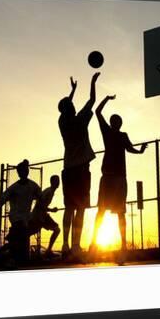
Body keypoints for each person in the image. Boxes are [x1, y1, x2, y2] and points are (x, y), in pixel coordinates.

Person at [89, 95, 147, 258]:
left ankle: (122, 245)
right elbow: (98, 111)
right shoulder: (108, 132)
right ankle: (94, 243)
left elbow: (130, 149)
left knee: (119, 212)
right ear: (113, 123)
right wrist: (106, 98)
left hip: (118, 178)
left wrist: (140, 151)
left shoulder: (122, 135)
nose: (114, 123)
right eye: (113, 120)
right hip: (108, 177)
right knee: (102, 211)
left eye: (116, 121)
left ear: (119, 124)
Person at [58, 72, 100, 259]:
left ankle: (66, 245)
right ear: (70, 108)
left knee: (69, 208)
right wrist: (92, 82)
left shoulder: (62, 121)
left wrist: (72, 91)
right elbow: (92, 99)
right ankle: (75, 245)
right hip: (81, 170)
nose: (73, 104)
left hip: (69, 170)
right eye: (71, 104)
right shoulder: (80, 119)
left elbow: (65, 105)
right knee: (80, 209)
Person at [0, 159, 41, 265]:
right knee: (21, 231)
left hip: (26, 217)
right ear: (19, 173)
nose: (24, 173)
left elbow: (41, 198)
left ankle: (6, 252)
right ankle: (11, 250)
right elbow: (2, 200)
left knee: (20, 239)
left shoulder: (33, 186)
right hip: (16, 217)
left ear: (27, 171)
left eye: (26, 170)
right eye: (22, 171)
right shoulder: (14, 188)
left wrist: (43, 210)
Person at [28, 175, 61, 258]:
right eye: (56, 181)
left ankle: (48, 250)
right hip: (38, 216)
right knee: (30, 232)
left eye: (58, 181)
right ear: (52, 182)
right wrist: (51, 210)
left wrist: (49, 210)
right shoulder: (49, 192)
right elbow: (40, 205)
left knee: (56, 229)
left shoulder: (51, 192)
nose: (58, 183)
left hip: (42, 215)